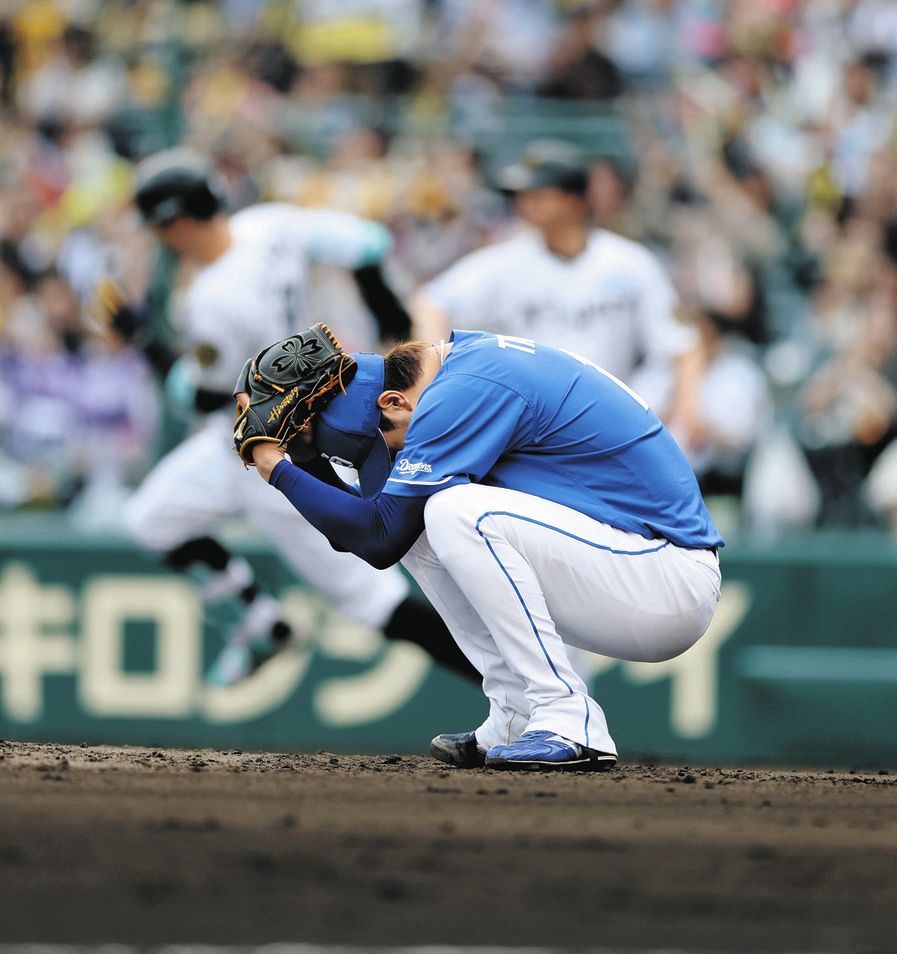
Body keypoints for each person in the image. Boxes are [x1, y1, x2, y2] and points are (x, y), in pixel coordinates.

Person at [237, 327, 723, 771]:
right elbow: (368, 534)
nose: (390, 453)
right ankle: (516, 712)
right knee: (422, 516)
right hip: (624, 564)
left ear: (392, 402)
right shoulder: (438, 379)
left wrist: (277, 469)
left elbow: (376, 537)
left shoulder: (461, 390)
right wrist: (302, 461)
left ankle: (567, 716)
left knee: (454, 511)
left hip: (664, 573)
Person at [99, 147, 475, 687]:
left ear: (175, 224)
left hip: (282, 452)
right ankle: (259, 624)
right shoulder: (268, 225)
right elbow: (368, 243)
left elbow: (200, 397)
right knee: (151, 521)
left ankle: (511, 688)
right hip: (240, 444)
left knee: (376, 603)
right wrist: (392, 323)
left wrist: (142, 342)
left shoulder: (212, 299)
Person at [409, 140, 704, 435]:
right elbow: (430, 303)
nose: (524, 203)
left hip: (612, 419)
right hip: (531, 423)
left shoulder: (630, 263)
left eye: (538, 194)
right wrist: (438, 375)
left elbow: (682, 345)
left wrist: (686, 411)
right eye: (523, 195)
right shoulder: (507, 261)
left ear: (575, 200)